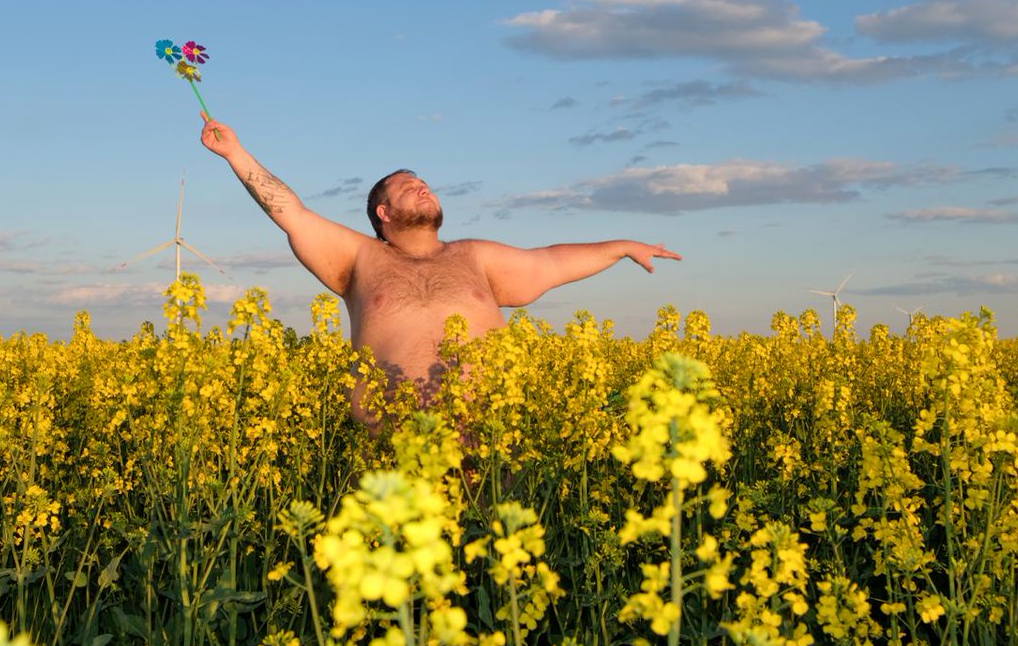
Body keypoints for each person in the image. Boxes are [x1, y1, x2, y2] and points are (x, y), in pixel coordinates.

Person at [200, 113, 682, 427]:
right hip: (391, 452)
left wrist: (621, 246)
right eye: (408, 186)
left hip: (489, 451)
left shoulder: (475, 256)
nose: (423, 188)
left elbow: (551, 262)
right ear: (383, 214)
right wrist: (235, 154)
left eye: (426, 183)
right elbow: (290, 212)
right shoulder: (357, 259)